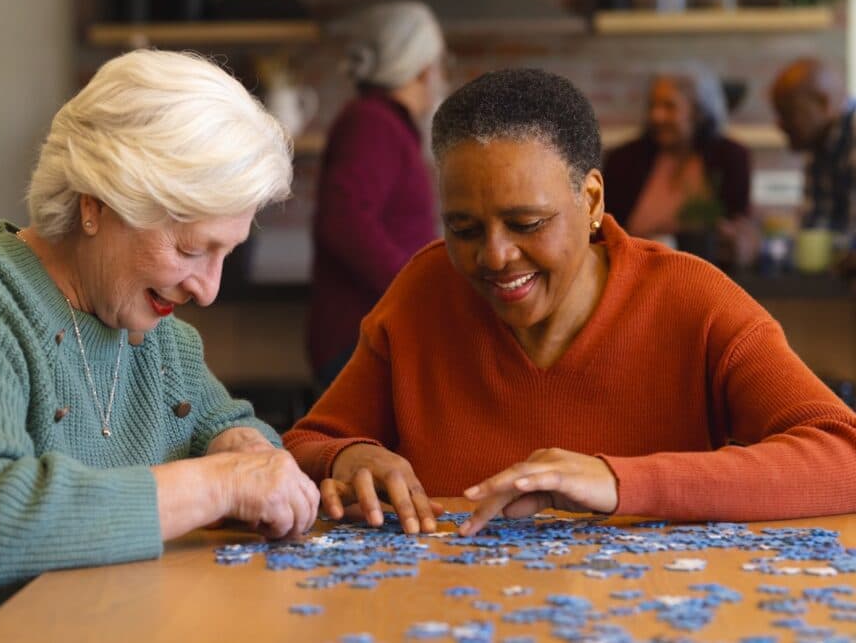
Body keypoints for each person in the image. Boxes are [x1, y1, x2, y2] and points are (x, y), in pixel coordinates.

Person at [0, 50, 320, 642]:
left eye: (224, 253)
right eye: (189, 249)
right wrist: (222, 483)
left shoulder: (163, 342)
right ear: (95, 205)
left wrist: (244, 448)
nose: (208, 290)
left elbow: (236, 435)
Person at [283, 68, 856, 538]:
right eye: (463, 227)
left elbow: (843, 455)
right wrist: (350, 457)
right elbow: (307, 443)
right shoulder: (424, 291)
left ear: (591, 200)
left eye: (526, 222)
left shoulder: (693, 299)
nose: (495, 256)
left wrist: (619, 481)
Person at [308, 0, 447, 388]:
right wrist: (415, 287)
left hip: (371, 336)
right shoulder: (372, 123)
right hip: (359, 342)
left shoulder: (381, 122)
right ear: (423, 70)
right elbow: (343, 223)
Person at [603, 67, 753, 264]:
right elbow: (605, 227)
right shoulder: (624, 159)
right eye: (653, 106)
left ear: (698, 111)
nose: (657, 116)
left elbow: (738, 224)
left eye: (669, 106)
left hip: (708, 273)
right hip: (634, 270)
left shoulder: (730, 157)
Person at [771, 58, 856, 272]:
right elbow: (815, 235)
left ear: (823, 103)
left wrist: (769, 249)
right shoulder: (819, 149)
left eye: (787, 112)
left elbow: (848, 241)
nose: (779, 125)